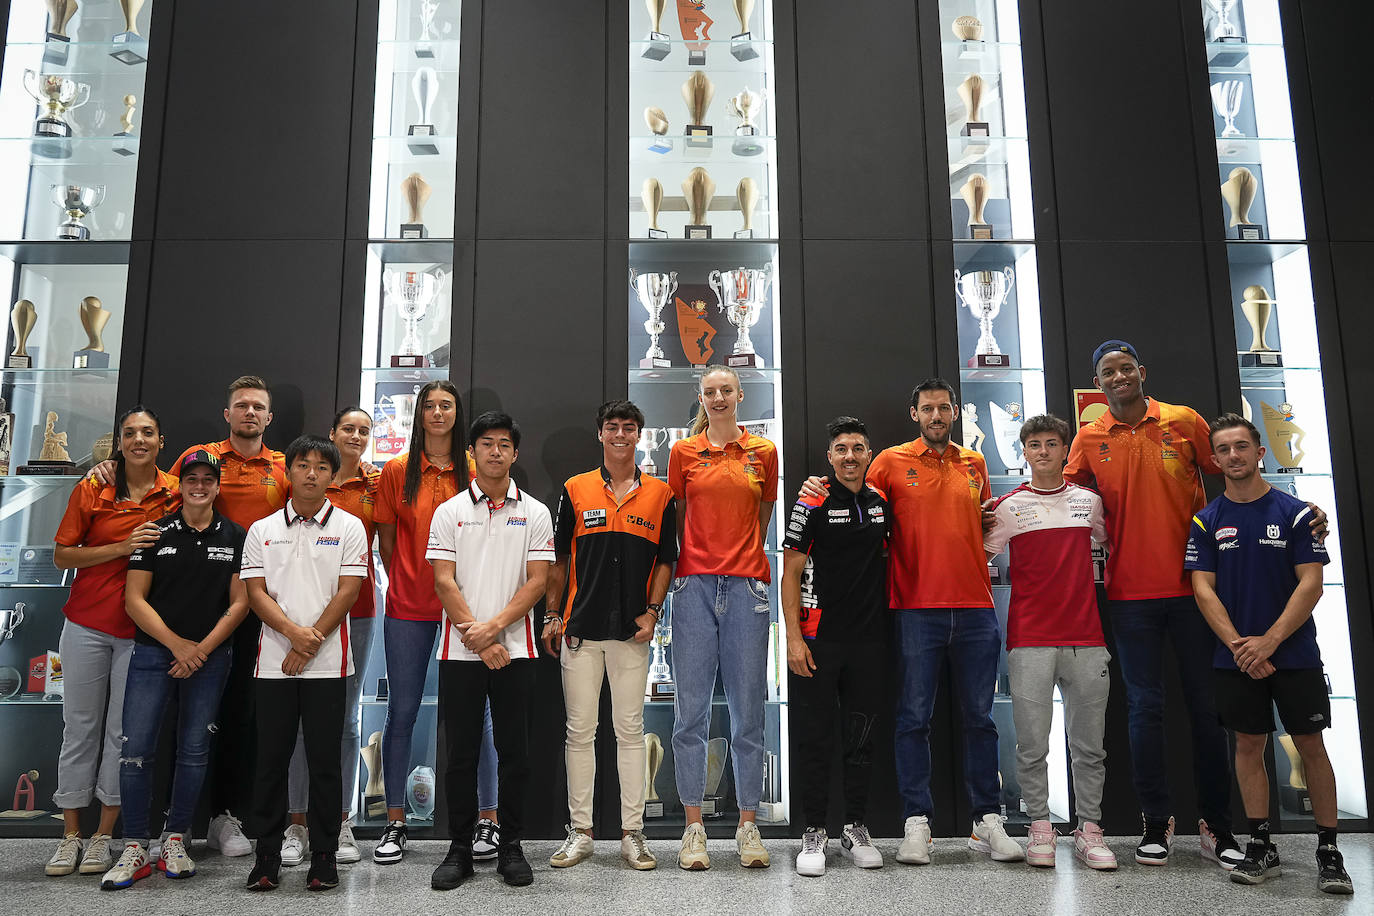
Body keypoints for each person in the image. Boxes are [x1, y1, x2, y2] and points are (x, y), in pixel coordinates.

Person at [1063, 341, 1246, 866]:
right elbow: (1064, 496)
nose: (1118, 377)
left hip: (1196, 591)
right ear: (1099, 384)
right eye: (1107, 372)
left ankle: (1217, 825)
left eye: (1125, 368)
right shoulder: (1090, 436)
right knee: (1144, 709)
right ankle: (1155, 822)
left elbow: (1233, 471)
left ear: (1142, 372)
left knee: (1206, 710)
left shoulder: (1185, 421)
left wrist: (1300, 511)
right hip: (1128, 595)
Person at [853, 379, 1021, 865]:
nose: (936, 416)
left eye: (944, 408)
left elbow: (984, 524)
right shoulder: (888, 462)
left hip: (975, 608)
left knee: (981, 719)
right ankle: (916, 825)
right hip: (914, 609)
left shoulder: (976, 463)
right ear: (914, 414)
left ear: (954, 413)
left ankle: (987, 821)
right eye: (927, 409)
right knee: (913, 719)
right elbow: (864, 513)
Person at [1185, 413, 1353, 895]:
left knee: (1311, 745)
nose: (1233, 456)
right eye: (1224, 450)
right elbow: (1203, 589)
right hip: (1235, 658)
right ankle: (1260, 845)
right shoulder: (1206, 519)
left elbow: (1311, 582)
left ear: (1260, 453)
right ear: (1214, 460)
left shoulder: (1298, 514)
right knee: (1248, 746)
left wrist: (1270, 641)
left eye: (1242, 447)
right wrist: (1242, 646)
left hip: (1294, 654)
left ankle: (1329, 850)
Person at [100, 450, 249, 889]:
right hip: (151, 654)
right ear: (180, 485)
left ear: (218, 486)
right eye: (191, 479)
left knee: (194, 751)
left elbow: (240, 601)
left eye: (208, 478)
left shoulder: (235, 535)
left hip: (209, 657)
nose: (199, 485)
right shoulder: (154, 531)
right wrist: (177, 646)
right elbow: (134, 600)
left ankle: (175, 838)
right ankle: (134, 847)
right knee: (136, 750)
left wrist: (199, 649)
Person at [542, 400, 676, 872]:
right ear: (600, 434)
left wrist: (653, 613)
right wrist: (552, 614)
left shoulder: (660, 495)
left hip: (632, 633)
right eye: (612, 427)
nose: (620, 434)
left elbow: (665, 560)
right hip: (579, 629)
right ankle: (580, 833)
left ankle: (632, 835)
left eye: (629, 427)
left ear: (640, 435)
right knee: (579, 733)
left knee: (631, 733)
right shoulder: (575, 489)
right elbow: (559, 559)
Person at [372, 381, 502, 865]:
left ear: (457, 413)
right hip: (408, 607)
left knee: (479, 717)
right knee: (401, 713)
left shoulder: (475, 468)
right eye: (429, 406)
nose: (438, 413)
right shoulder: (396, 471)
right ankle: (395, 822)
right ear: (419, 415)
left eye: (446, 405)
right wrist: (410, 580)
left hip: (465, 611)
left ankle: (488, 820)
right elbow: (388, 543)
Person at [47, 407, 178, 878]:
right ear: (118, 441)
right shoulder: (94, 486)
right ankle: (69, 837)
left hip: (140, 633)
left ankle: (104, 837)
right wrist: (123, 548)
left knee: (124, 735)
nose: (138, 440)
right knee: (79, 726)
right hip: (85, 623)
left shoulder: (176, 492)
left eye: (147, 433)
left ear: (162, 441)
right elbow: (63, 553)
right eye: (129, 434)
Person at [426, 411, 553, 890]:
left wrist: (495, 631)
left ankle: (511, 846)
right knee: (459, 755)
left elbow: (538, 581)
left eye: (504, 444)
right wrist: (477, 637)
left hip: (515, 651)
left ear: (515, 454)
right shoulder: (450, 511)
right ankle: (458, 847)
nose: (495, 451)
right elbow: (443, 580)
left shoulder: (535, 512)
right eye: (486, 444)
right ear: (472, 452)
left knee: (515, 753)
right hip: (460, 652)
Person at [984, 414, 1116, 870]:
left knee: (1089, 746)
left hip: (1087, 638)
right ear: (1024, 451)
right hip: (1030, 639)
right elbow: (975, 556)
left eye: (1051, 443)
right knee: (1032, 744)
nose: (1042, 451)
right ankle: (1039, 824)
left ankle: (1090, 829)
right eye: (1034, 444)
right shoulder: (1007, 507)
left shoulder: (1090, 502)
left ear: (1065, 451)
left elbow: (1115, 545)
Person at [239, 435, 369, 893]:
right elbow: (255, 592)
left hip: (329, 665)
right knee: (271, 761)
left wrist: (308, 643)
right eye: (302, 465)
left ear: (333, 477)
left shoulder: (351, 526)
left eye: (320, 467)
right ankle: (267, 857)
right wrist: (294, 636)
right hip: (273, 664)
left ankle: (324, 856)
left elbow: (349, 591)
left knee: (325, 763)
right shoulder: (262, 529)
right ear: (288, 472)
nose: (311, 473)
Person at [667, 365, 778, 871]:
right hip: (692, 587)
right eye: (709, 391)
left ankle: (748, 826)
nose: (717, 398)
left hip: (747, 585)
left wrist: (742, 560)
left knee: (748, 712)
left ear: (740, 395)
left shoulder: (763, 452)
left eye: (725, 391)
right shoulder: (683, 453)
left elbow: (763, 516)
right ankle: (694, 828)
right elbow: (681, 514)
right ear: (701, 397)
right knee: (689, 713)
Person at [783, 417, 888, 878]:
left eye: (858, 448)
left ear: (869, 455)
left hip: (868, 641)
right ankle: (814, 831)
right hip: (818, 639)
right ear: (830, 457)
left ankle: (856, 827)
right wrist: (792, 637)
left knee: (861, 738)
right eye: (841, 449)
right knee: (815, 737)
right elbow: (789, 573)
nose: (849, 456)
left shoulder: (880, 501)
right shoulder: (812, 499)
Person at [282, 408, 380, 866]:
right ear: (332, 434)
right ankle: (297, 823)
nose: (356, 436)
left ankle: (340, 821)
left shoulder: (375, 486)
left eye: (364, 430)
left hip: (356, 614)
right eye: (348, 429)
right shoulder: (303, 479)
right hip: (298, 617)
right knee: (300, 722)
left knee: (344, 720)